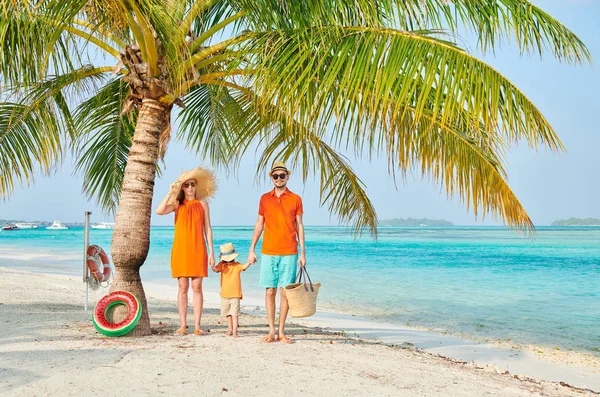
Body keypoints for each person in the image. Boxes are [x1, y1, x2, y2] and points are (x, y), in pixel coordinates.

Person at [248, 161, 306, 344]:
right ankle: (271, 331)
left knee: (285, 293)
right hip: (268, 251)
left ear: (287, 176)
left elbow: (299, 226)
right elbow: (259, 224)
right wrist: (252, 249)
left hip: (290, 251)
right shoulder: (264, 198)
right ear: (271, 177)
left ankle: (281, 331)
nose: (279, 179)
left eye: (282, 175)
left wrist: (303, 252)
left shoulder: (295, 199)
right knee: (269, 292)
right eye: (275, 176)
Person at [156, 167, 217, 336]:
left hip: (198, 248)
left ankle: (197, 325)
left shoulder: (203, 205)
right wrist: (170, 192)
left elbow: (208, 230)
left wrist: (211, 252)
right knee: (183, 287)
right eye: (187, 185)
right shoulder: (177, 204)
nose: (190, 188)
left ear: (196, 187)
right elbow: (159, 211)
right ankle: (183, 325)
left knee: (197, 287)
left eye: (192, 184)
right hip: (181, 250)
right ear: (182, 187)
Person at [210, 242, 252, 338]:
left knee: (234, 314)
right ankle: (230, 329)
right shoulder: (222, 265)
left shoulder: (237, 265)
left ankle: (235, 331)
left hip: (235, 294)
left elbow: (244, 267)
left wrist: (249, 262)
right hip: (224, 294)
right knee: (228, 314)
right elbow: (216, 270)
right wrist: (212, 265)